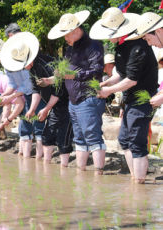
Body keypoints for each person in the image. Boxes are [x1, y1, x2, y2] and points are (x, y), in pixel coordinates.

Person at [92, 8, 158, 183]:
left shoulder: (138, 47)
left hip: (142, 99)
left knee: (136, 141)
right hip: (130, 99)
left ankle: (139, 183)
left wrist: (108, 91)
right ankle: (136, 178)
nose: (106, 37)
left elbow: (132, 80)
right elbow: (120, 75)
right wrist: (105, 83)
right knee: (124, 139)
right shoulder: (121, 46)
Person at [48, 10, 105, 174]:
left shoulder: (94, 45)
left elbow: (97, 71)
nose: (65, 38)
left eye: (66, 34)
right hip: (73, 100)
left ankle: (98, 174)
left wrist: (73, 75)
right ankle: (81, 173)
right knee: (79, 138)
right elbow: (64, 70)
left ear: (75, 30)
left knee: (92, 136)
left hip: (88, 97)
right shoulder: (70, 49)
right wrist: (55, 76)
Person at [0, 31, 45, 158]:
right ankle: (26, 158)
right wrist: (4, 95)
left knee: (38, 125)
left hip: (37, 94)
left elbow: (29, 87)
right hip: (25, 96)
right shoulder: (8, 64)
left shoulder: (28, 60)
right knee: (25, 125)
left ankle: (39, 157)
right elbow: (13, 84)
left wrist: (11, 96)